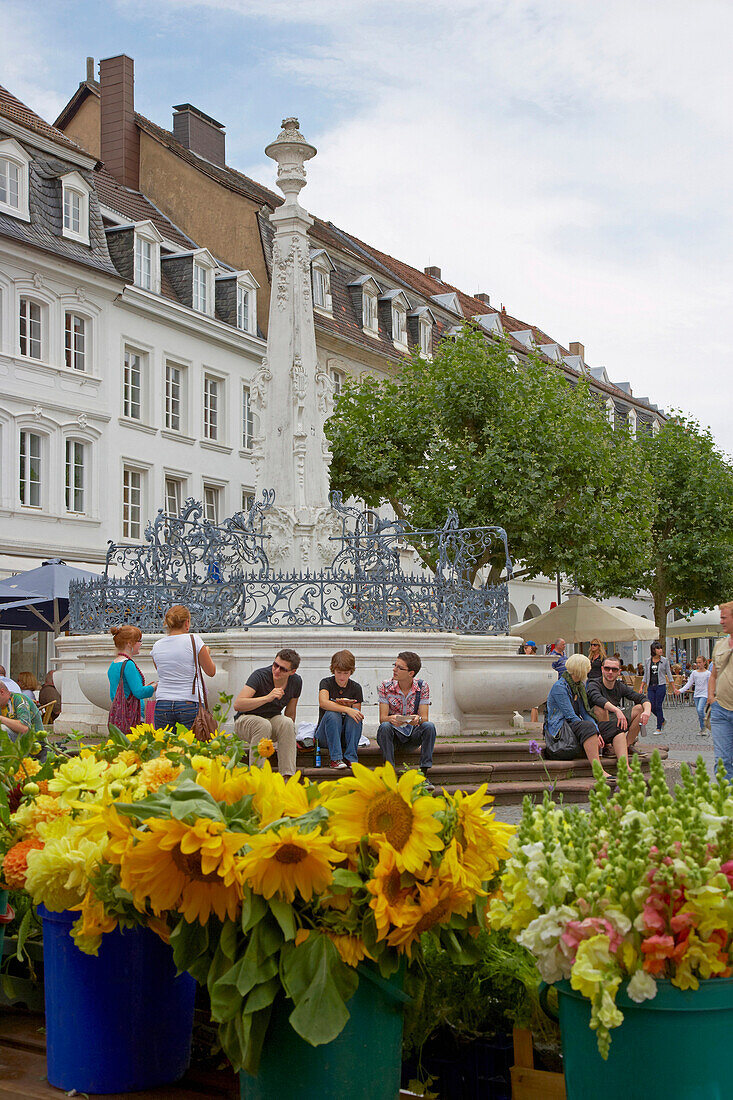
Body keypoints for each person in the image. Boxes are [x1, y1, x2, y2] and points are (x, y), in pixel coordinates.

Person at [233, 650, 301, 778]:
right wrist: (267, 697)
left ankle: (287, 777)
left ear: (292, 672)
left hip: (271, 722)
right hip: (245, 721)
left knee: (287, 722)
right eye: (275, 665)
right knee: (263, 724)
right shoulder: (260, 675)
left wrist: (287, 736)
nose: (276, 670)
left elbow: (290, 713)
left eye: (283, 669)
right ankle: (256, 776)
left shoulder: (296, 682)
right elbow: (238, 704)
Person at [544, 653, 612, 779]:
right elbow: (570, 716)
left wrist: (597, 730)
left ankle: (626, 765)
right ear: (581, 670)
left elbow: (585, 713)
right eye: (587, 667)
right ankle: (598, 770)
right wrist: (593, 731)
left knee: (611, 727)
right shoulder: (560, 687)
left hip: (573, 724)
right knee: (588, 727)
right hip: (560, 728)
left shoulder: (579, 686)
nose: (589, 670)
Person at [376, 651, 437, 791]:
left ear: (411, 673)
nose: (394, 669)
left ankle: (423, 775)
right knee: (385, 726)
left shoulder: (422, 687)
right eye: (395, 665)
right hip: (392, 736)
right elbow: (382, 718)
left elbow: (424, 718)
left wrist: (416, 719)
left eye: (399, 667)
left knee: (429, 726)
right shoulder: (385, 686)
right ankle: (389, 776)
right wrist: (391, 719)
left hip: (411, 736)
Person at [151, 605, 215, 731]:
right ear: (187, 622)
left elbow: (161, 671)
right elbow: (211, 671)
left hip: (163, 702)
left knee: (165, 748)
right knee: (192, 748)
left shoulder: (157, 645)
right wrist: (206, 652)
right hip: (189, 702)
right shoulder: (194, 640)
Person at [586, 654, 651, 764]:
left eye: (614, 669)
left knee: (640, 708)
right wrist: (617, 710)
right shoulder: (594, 683)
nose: (610, 672)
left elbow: (641, 698)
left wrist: (647, 711)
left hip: (615, 718)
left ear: (619, 672)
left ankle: (626, 746)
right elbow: (597, 698)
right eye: (607, 668)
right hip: (596, 722)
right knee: (601, 708)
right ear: (602, 669)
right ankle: (607, 747)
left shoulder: (620, 686)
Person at [316, 650, 364, 769]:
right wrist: (345, 709)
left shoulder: (356, 688)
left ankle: (351, 758)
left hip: (346, 736)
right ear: (333, 670)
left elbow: (356, 714)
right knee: (333, 714)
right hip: (325, 735)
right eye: (339, 672)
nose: (342, 677)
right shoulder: (326, 683)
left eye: (346, 673)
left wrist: (349, 709)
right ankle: (336, 759)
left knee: (356, 714)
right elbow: (323, 702)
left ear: (351, 672)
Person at [108, 625, 156, 734]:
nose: (141, 644)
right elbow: (139, 692)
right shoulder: (128, 664)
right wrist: (155, 686)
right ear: (130, 643)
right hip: (132, 717)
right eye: (139, 641)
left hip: (119, 716)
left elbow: (117, 692)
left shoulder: (114, 664)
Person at [707, 602, 733, 780]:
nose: (721, 621)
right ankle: (726, 804)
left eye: (724, 617)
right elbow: (713, 675)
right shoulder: (720, 645)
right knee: (722, 762)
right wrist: (711, 698)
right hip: (721, 711)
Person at [0, 681, 46, 759]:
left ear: (2, 692)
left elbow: (24, 728)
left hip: (34, 743)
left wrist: (1, 718)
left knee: (2, 729)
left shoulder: (19, 699)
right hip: (17, 742)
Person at [642, 643, 678, 734]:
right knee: (651, 706)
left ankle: (659, 728)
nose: (660, 650)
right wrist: (642, 686)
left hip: (660, 685)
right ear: (653, 650)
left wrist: (674, 688)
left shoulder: (665, 661)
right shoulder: (647, 661)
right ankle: (661, 719)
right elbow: (646, 675)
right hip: (651, 686)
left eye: (661, 648)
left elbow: (669, 675)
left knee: (658, 706)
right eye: (658, 648)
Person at [679, 656, 711, 736]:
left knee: (700, 710)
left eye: (700, 662)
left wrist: (710, 695)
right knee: (699, 712)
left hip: (704, 694)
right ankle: (702, 728)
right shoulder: (694, 673)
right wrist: (680, 690)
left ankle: (705, 724)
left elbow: (710, 685)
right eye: (697, 662)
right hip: (696, 695)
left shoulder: (708, 673)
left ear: (704, 663)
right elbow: (689, 683)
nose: (698, 664)